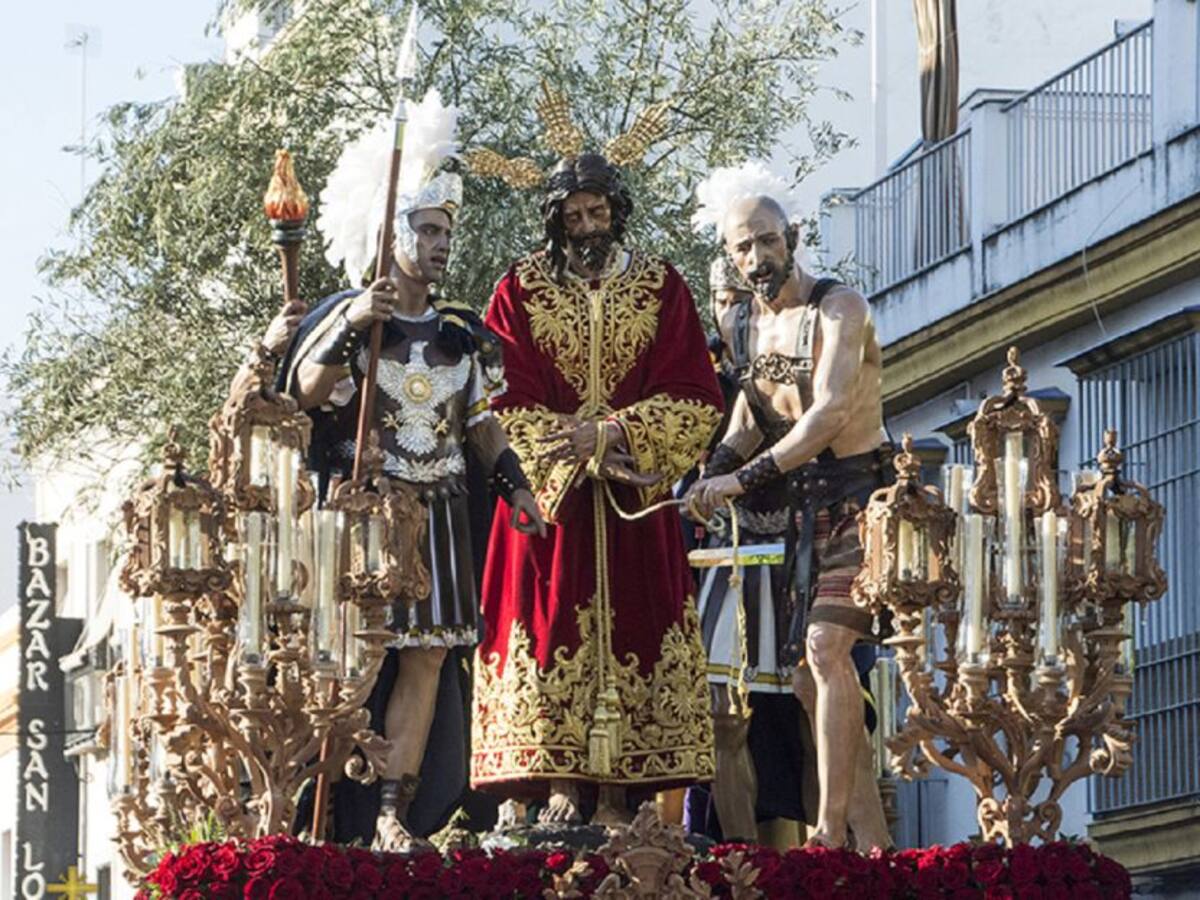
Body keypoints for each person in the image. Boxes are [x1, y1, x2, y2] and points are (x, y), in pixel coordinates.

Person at [279, 91, 545, 850]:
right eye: (426, 229)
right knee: (357, 663)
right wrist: (357, 321)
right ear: (392, 234)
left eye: (445, 232)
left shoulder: (464, 332)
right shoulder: (354, 319)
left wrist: (515, 484)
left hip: (441, 509)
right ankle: (328, 810)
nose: (440, 244)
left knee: (428, 658)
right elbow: (306, 395)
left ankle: (396, 810)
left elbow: (483, 421)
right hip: (367, 515)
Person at [470, 151, 722, 826]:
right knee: (548, 627)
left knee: (639, 625)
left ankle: (623, 791)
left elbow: (697, 393)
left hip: (634, 498)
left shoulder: (661, 286)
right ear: (555, 221)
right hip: (550, 503)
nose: (587, 227)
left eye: (598, 212)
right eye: (574, 215)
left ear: (616, 213)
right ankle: (556, 778)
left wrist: (615, 435)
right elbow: (500, 401)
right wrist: (568, 450)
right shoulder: (516, 290)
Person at [686, 179, 891, 850]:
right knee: (808, 678)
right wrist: (715, 466)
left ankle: (828, 833)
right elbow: (754, 406)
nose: (757, 257)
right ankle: (876, 844)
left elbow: (827, 412)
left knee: (827, 650)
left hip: (861, 496)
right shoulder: (741, 320)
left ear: (793, 237)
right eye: (743, 247)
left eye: (768, 240)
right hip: (802, 508)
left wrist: (745, 479)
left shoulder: (840, 308)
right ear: (729, 255)